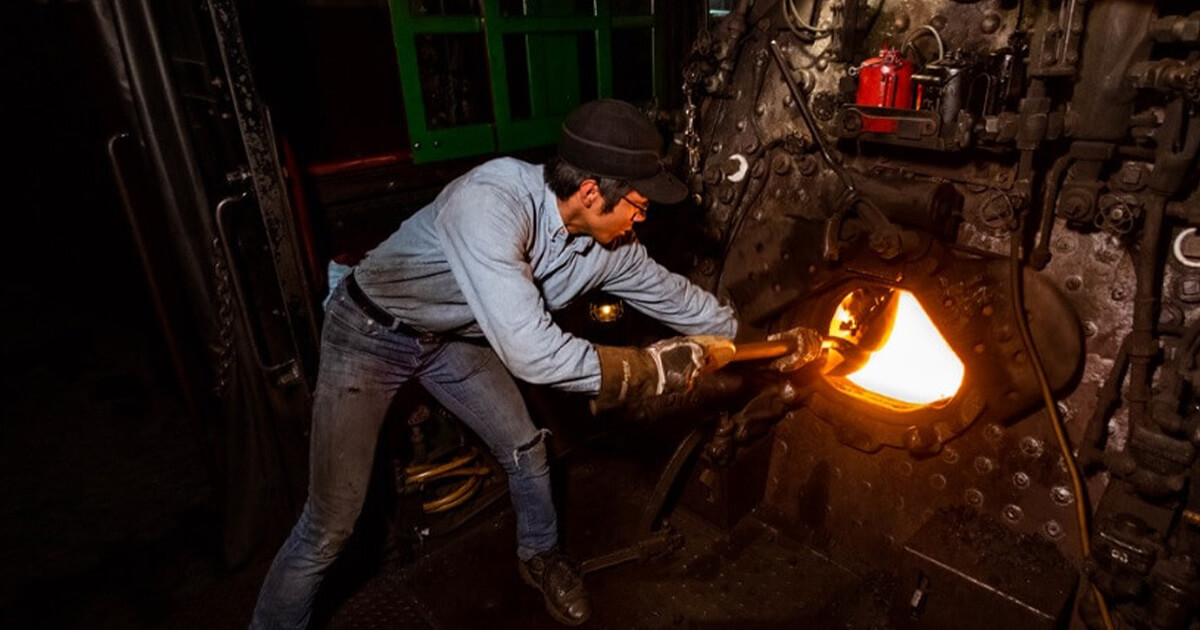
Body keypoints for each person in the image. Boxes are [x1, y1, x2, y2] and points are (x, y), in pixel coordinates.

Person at [250, 99, 816, 629]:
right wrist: (649, 370)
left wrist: (767, 341)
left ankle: (540, 556)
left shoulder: (606, 247)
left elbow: (674, 297)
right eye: (637, 207)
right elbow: (531, 352)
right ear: (592, 193)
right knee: (331, 526)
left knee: (526, 447)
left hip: (450, 338)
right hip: (370, 333)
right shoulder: (490, 203)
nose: (639, 222)